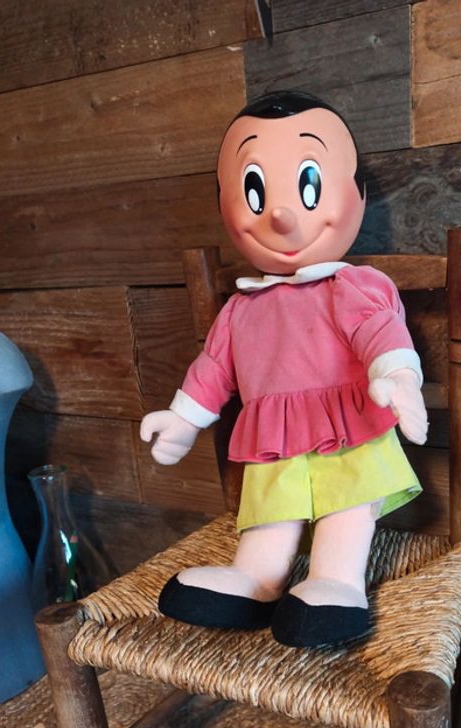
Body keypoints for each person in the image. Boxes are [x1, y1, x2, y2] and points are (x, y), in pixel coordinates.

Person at [141, 91, 428, 648]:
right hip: (272, 436)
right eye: (254, 190)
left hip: (347, 425)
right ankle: (257, 577)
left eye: (308, 185)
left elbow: (380, 333)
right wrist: (183, 418)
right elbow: (213, 369)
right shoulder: (239, 308)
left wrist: (399, 377)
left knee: (346, 503)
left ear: (356, 194)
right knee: (271, 504)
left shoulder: (350, 286)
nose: (279, 214)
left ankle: (336, 581)